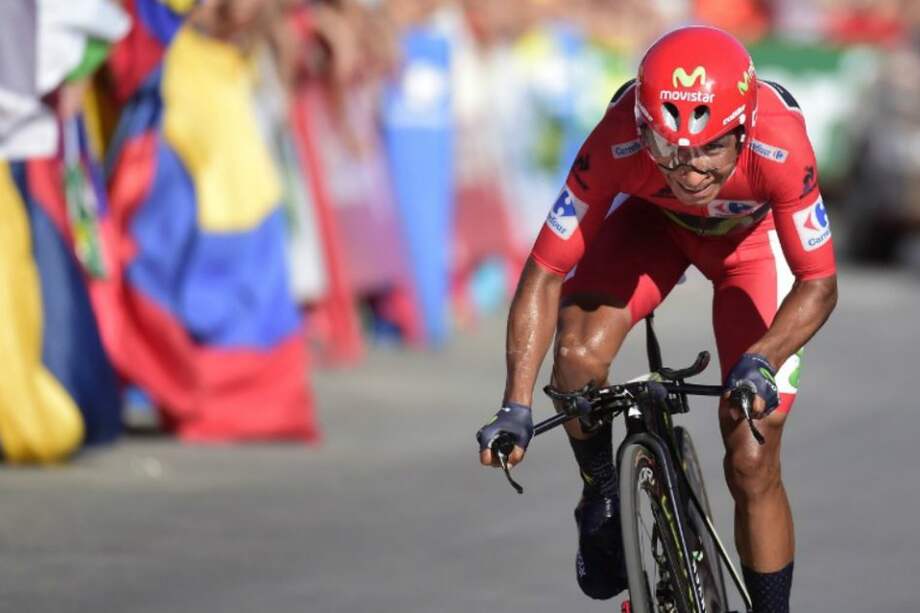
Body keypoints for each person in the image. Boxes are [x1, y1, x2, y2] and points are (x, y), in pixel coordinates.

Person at [476, 25, 837, 613]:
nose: (690, 170)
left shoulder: (781, 142)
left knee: (751, 449)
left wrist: (761, 362)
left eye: (711, 149)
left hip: (751, 245)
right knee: (576, 358)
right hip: (654, 230)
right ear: (643, 127)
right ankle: (601, 490)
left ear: (744, 130)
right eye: (667, 149)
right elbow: (544, 269)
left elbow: (819, 283)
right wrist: (516, 404)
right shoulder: (616, 138)